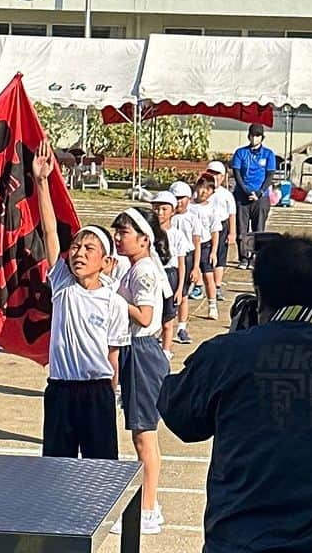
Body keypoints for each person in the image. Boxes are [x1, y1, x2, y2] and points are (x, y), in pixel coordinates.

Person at [158, 233, 312, 552]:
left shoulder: (226, 355)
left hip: (244, 540)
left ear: (260, 295)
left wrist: (238, 340)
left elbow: (181, 417)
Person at [33, 146, 129, 460]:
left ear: (105, 261)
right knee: (56, 471)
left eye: (89, 249)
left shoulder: (113, 302)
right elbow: (49, 232)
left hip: (97, 392)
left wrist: (111, 394)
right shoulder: (62, 285)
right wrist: (42, 183)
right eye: (76, 246)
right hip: (61, 390)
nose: (79, 253)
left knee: (100, 471)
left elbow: (113, 355)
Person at [112, 207, 172, 535]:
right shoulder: (136, 268)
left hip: (142, 353)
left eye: (124, 232)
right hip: (135, 351)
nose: (118, 238)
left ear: (144, 239)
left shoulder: (144, 271)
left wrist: (113, 299)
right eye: (117, 231)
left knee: (144, 435)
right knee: (141, 434)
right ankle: (150, 505)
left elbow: (146, 317)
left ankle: (147, 509)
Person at [151, 191, 191, 360]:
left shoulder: (177, 235)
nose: (160, 213)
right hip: (152, 274)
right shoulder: (147, 233)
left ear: (172, 211)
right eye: (156, 208)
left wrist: (180, 288)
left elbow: (181, 264)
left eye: (164, 209)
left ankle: (166, 351)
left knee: (168, 318)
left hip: (170, 275)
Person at [230, 124, 276, 269]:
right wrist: (245, 191)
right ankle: (243, 258)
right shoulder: (240, 153)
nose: (254, 138)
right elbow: (237, 173)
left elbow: (269, 176)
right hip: (242, 196)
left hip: (260, 197)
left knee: (259, 229)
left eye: (257, 135)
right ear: (248, 136)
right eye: (252, 135)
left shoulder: (268, 154)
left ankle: (255, 258)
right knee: (242, 229)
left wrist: (259, 192)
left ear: (262, 137)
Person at [169, 181, 201, 344]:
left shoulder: (192, 218)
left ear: (189, 199)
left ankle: (181, 327)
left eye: (182, 198)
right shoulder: (168, 218)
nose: (179, 202)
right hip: (169, 258)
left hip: (186, 258)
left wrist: (196, 267)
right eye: (176, 198)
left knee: (183, 295)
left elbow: (196, 243)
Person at [188, 175, 222, 320]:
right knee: (186, 276)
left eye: (209, 189)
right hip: (189, 246)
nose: (204, 192)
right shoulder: (188, 206)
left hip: (205, 245)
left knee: (209, 277)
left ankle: (212, 305)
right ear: (196, 187)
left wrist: (214, 251)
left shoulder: (212, 209)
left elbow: (215, 231)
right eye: (203, 187)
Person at [205, 161, 236, 300]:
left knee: (220, 258)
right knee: (203, 256)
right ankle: (199, 285)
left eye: (217, 174)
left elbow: (232, 215)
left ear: (223, 177)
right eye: (211, 173)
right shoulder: (202, 191)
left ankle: (216, 286)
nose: (214, 177)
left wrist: (232, 233)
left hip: (221, 227)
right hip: (205, 227)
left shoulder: (227, 195)